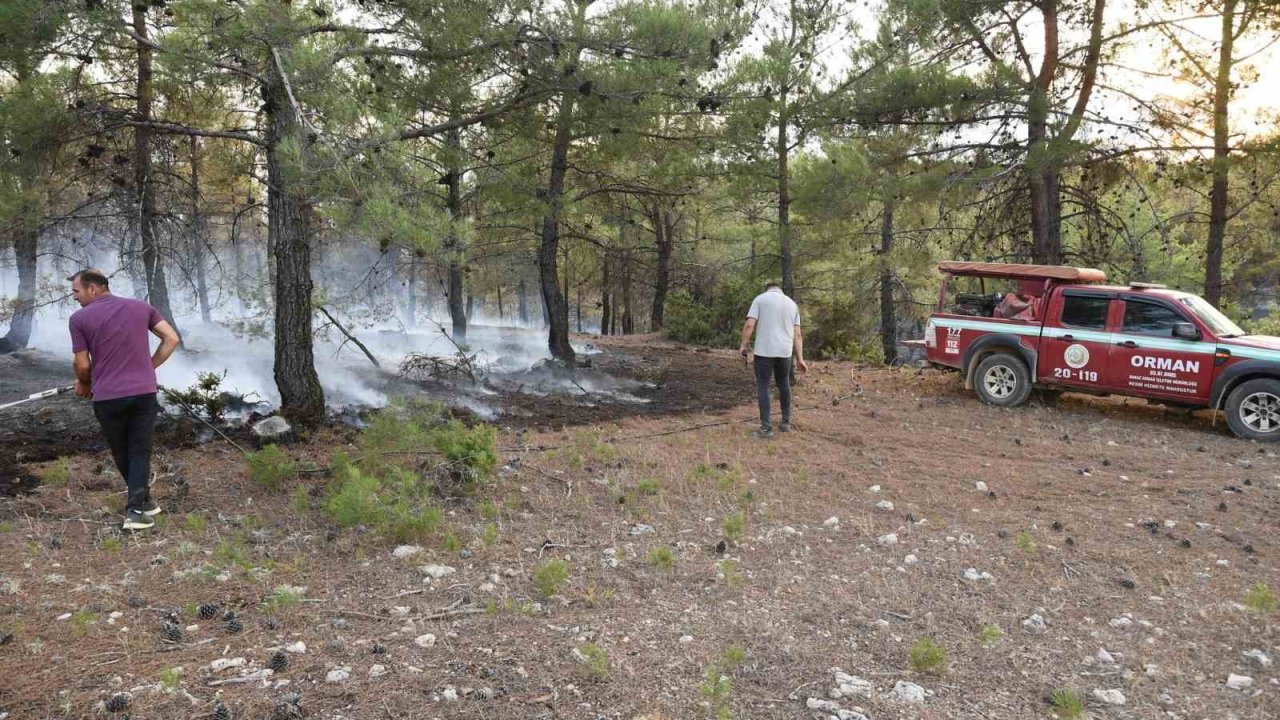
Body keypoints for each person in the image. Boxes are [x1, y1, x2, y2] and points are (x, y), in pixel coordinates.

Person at [68, 269, 180, 530]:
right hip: (143, 393)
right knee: (139, 451)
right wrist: (148, 368)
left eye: (76, 291)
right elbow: (171, 339)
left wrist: (84, 382)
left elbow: (81, 363)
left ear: (93, 289)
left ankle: (136, 511)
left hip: (108, 397)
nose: (74, 297)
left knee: (122, 451)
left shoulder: (79, 319)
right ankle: (145, 501)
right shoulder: (142, 307)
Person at [739, 281, 808, 438]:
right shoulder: (792, 304)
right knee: (783, 383)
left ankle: (766, 428)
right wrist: (800, 358)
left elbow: (750, 325)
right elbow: (797, 334)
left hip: (765, 350)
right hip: (785, 351)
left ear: (767, 289)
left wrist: (743, 345)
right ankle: (785, 423)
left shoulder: (760, 299)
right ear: (780, 290)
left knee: (763, 386)